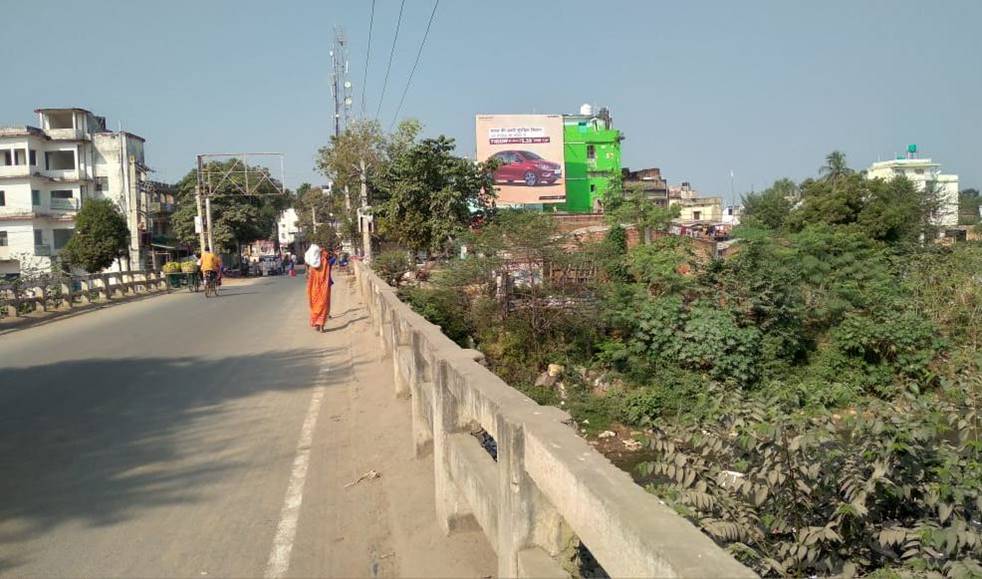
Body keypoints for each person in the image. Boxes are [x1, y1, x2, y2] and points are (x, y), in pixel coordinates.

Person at [305, 244, 334, 332]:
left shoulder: (311, 266)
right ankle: (321, 326)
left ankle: (317, 324)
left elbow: (309, 279)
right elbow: (331, 262)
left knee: (315, 306)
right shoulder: (325, 261)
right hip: (324, 289)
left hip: (314, 290)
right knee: (324, 305)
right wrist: (335, 256)